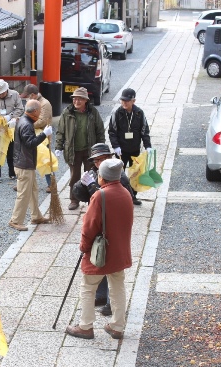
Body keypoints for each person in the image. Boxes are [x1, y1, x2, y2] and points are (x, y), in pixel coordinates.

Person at [65, 159, 133, 340]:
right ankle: (117, 326)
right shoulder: (126, 193)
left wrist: (84, 246)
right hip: (119, 250)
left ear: (102, 177)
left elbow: (89, 227)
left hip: (102, 252)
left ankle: (85, 326)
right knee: (118, 286)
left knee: (88, 286)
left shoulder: (100, 196)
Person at [72, 143, 139, 316]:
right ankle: (102, 298)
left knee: (107, 270)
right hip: (102, 227)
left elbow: (108, 199)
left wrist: (94, 187)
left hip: (110, 229)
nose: (98, 163)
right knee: (99, 262)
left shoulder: (119, 178)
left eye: (102, 159)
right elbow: (79, 194)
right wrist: (82, 184)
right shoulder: (96, 172)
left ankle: (105, 309)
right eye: (96, 160)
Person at [55, 87, 105, 210]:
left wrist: (100, 149)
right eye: (74, 99)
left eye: (79, 99)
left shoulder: (93, 112)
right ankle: (74, 199)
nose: (76, 101)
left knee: (92, 175)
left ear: (85, 101)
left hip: (90, 151)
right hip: (73, 150)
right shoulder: (67, 113)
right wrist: (58, 146)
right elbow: (61, 131)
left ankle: (91, 199)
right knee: (74, 177)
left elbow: (100, 131)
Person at [9, 99, 53, 231]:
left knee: (33, 190)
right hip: (24, 164)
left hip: (25, 163)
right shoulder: (27, 124)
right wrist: (44, 134)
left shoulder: (23, 121)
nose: (40, 113)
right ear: (34, 111)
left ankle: (36, 216)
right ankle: (15, 220)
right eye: (39, 110)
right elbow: (30, 143)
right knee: (23, 193)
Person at [108, 88, 152, 203]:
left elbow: (144, 130)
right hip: (121, 150)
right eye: (122, 100)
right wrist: (115, 146)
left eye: (127, 101)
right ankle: (120, 196)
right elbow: (112, 131)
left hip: (134, 149)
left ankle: (133, 196)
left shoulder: (139, 113)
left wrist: (148, 146)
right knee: (119, 174)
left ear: (133, 101)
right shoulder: (117, 113)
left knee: (135, 174)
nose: (124, 103)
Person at [0, 79, 24, 183]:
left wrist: (11, 117)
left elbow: (20, 108)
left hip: (11, 127)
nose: (0, 95)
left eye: (1, 93)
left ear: (6, 90)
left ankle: (12, 173)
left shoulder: (15, 95)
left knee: (12, 152)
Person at [21, 83, 54, 193]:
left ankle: (51, 184)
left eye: (28, 96)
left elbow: (42, 121)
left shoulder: (45, 104)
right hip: (31, 134)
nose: (27, 98)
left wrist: (26, 124)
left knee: (45, 160)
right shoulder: (30, 102)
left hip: (44, 135)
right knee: (28, 159)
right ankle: (25, 183)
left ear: (34, 95)